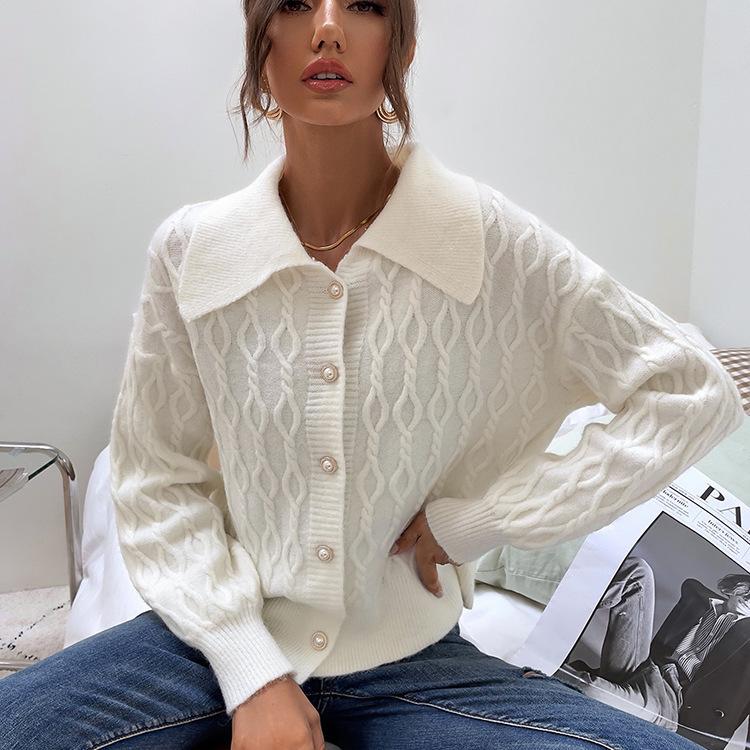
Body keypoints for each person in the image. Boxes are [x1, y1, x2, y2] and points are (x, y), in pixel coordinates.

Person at [1, 1, 745, 748]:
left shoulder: (481, 239)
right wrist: (252, 673)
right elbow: (156, 477)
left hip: (415, 666)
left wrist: (481, 521)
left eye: (362, 5)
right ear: (260, 40)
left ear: (401, 43)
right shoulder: (194, 250)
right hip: (211, 647)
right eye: (296, 4)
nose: (327, 27)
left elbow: (689, 390)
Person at [561, 557, 750, 747]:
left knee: (591, 689)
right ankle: (558, 606)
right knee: (638, 571)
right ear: (738, 585)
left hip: (671, 705)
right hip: (648, 667)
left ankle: (552, 668)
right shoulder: (698, 597)